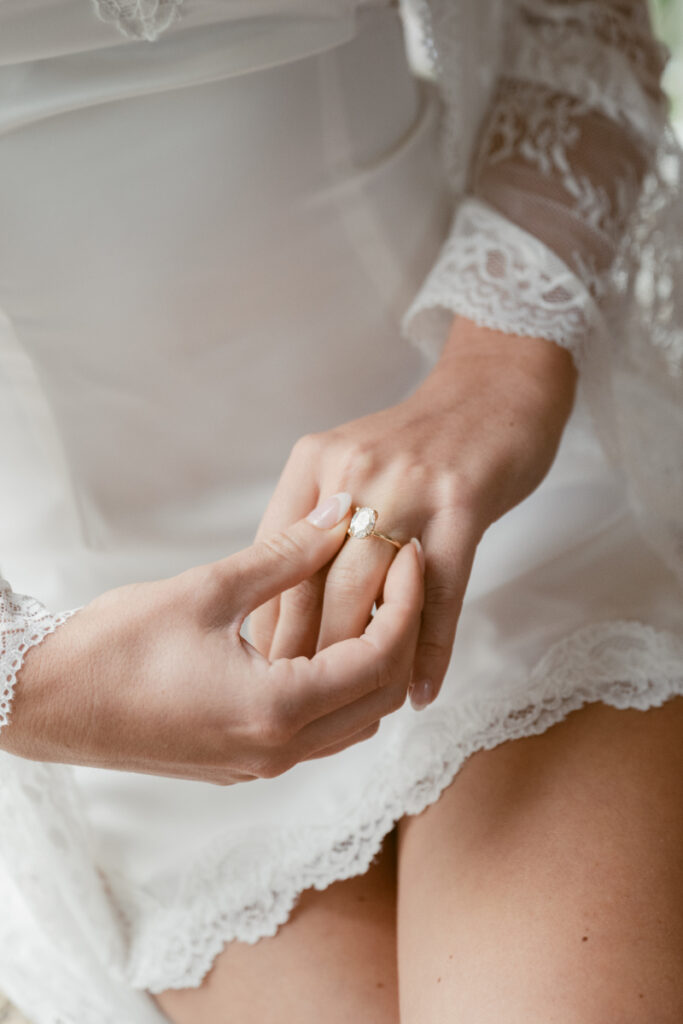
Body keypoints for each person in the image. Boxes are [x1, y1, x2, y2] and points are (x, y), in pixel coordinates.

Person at [0, 1, 682, 1022]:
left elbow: (575, 24)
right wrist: (39, 680)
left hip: (483, 498)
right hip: (116, 649)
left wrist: (495, 370)